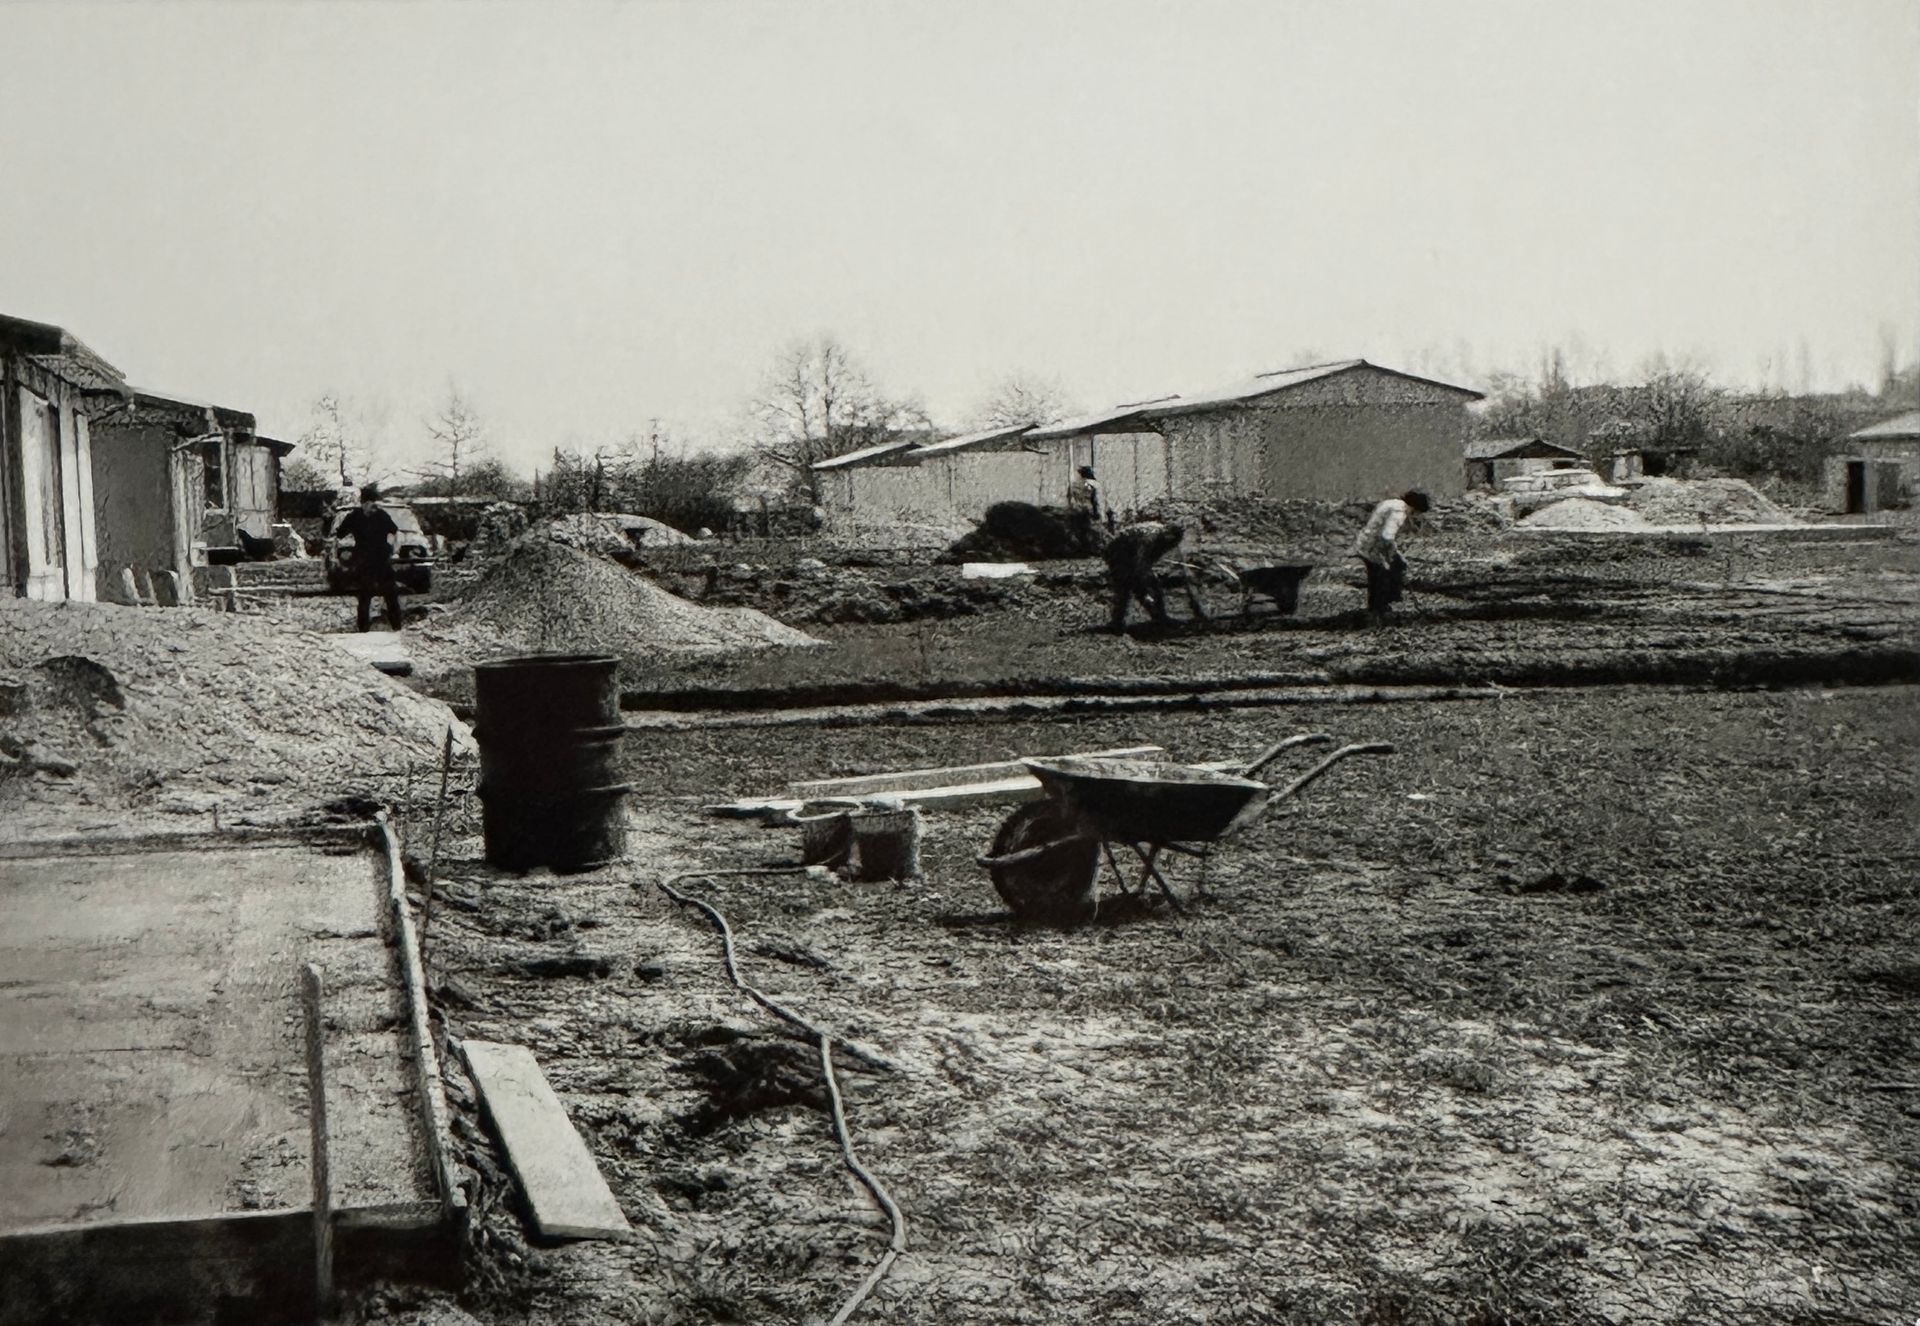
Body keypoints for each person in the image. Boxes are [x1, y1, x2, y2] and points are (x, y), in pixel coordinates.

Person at [1352, 489, 1430, 622]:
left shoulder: (1392, 503)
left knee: (1377, 577)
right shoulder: (1399, 513)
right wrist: (1393, 556)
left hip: (1366, 542)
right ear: (1415, 507)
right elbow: (1387, 537)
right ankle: (1380, 610)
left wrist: (1394, 555)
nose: (1415, 515)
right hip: (1373, 547)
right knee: (1382, 578)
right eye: (1416, 512)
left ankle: (1378, 608)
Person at [335, 483, 403, 632]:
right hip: (363, 560)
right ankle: (363, 629)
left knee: (391, 593)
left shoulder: (382, 515)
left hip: (382, 559)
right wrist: (345, 552)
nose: (375, 507)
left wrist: (395, 549)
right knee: (365, 594)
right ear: (364, 503)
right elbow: (339, 534)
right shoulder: (354, 517)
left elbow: (395, 532)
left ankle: (397, 628)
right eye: (372, 503)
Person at [1103, 520, 1185, 631]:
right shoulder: (1150, 538)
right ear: (1167, 533)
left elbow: (1150, 559)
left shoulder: (1168, 539)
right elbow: (1140, 561)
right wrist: (1146, 579)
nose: (1174, 543)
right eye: (1173, 538)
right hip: (1118, 551)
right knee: (1126, 586)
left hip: (1132, 551)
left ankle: (1159, 617)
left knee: (1150, 585)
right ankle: (1116, 622)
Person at [1066, 464, 1104, 550]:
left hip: (1077, 509)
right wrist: (1097, 512)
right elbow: (1095, 499)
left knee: (1078, 530)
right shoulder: (1094, 484)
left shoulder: (1074, 485)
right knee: (1091, 530)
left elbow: (1069, 497)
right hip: (1089, 509)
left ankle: (1079, 548)